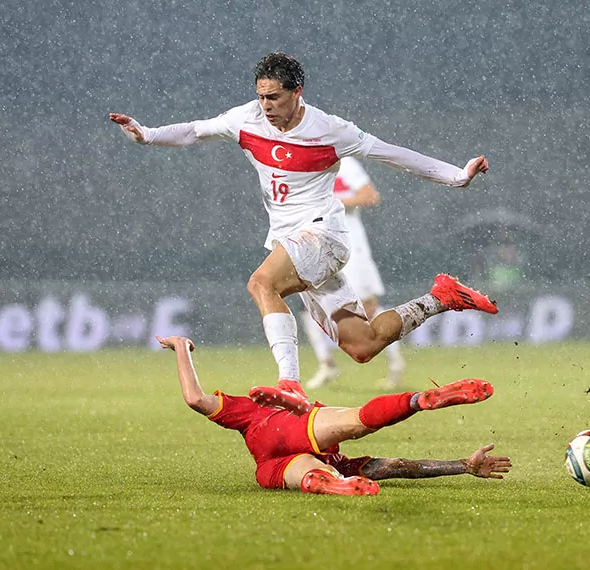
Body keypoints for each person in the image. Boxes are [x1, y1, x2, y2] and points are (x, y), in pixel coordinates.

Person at [110, 52, 497, 409]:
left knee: (261, 283)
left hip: (322, 236)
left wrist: (456, 176)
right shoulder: (246, 120)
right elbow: (196, 131)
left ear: (298, 93)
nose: (266, 106)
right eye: (261, 96)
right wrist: (147, 134)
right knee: (363, 346)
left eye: (274, 97)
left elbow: (392, 153)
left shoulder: (329, 130)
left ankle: (289, 383)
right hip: (292, 242)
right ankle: (441, 298)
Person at [155, 335, 509, 495]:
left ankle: (334, 484)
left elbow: (194, 398)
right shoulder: (250, 410)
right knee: (355, 421)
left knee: (318, 471)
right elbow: (398, 466)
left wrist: (180, 347)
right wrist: (462, 465)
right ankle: (416, 400)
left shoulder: (243, 413)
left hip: (271, 458)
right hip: (300, 424)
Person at [302, 156, 405, 390]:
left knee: (367, 307)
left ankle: (395, 362)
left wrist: (332, 202)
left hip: (351, 244)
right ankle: (326, 365)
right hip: (319, 244)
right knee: (310, 304)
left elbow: (370, 195)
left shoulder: (345, 164)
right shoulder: (302, 166)